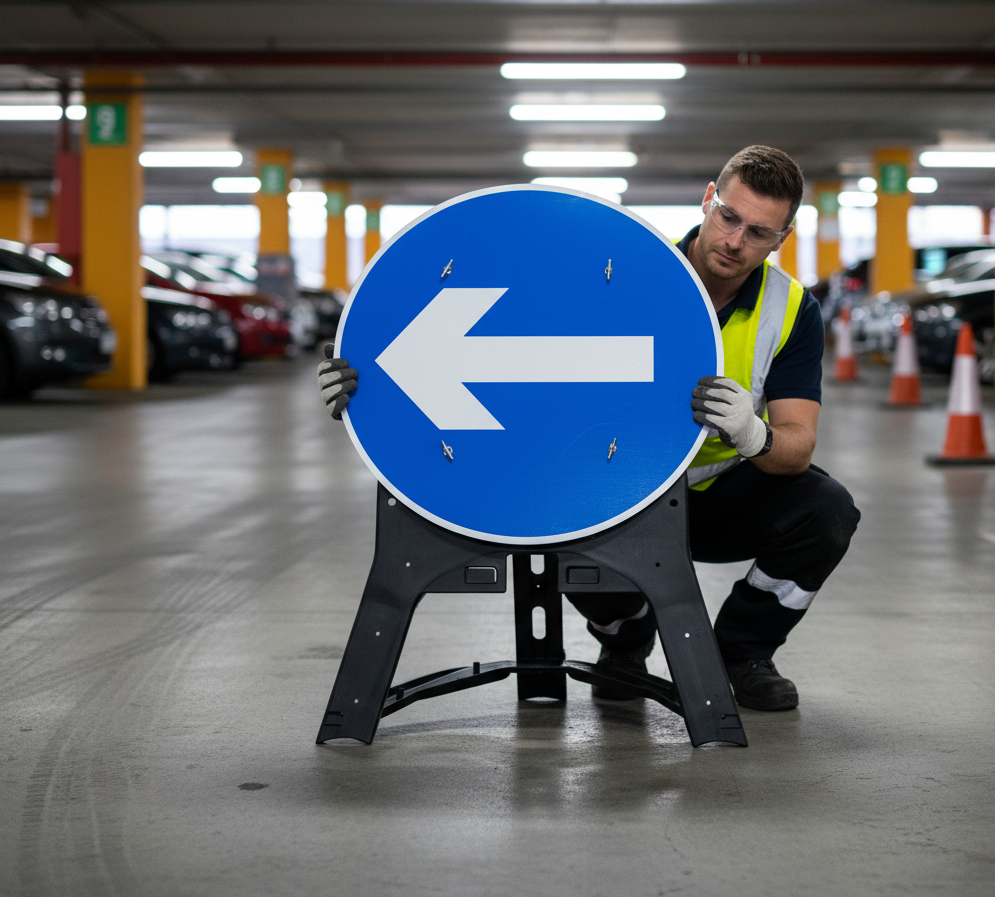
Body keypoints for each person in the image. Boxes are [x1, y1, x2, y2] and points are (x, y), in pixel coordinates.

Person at [316, 145, 860, 711]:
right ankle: (624, 639)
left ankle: (743, 653)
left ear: (783, 238)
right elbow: (513, 352)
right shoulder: (627, 270)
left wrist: (754, 435)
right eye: (728, 217)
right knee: (551, 522)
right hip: (619, 489)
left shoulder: (791, 309)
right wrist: (372, 382)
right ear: (707, 200)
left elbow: (796, 446)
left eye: (759, 232)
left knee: (827, 510)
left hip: (719, 492)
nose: (734, 241)